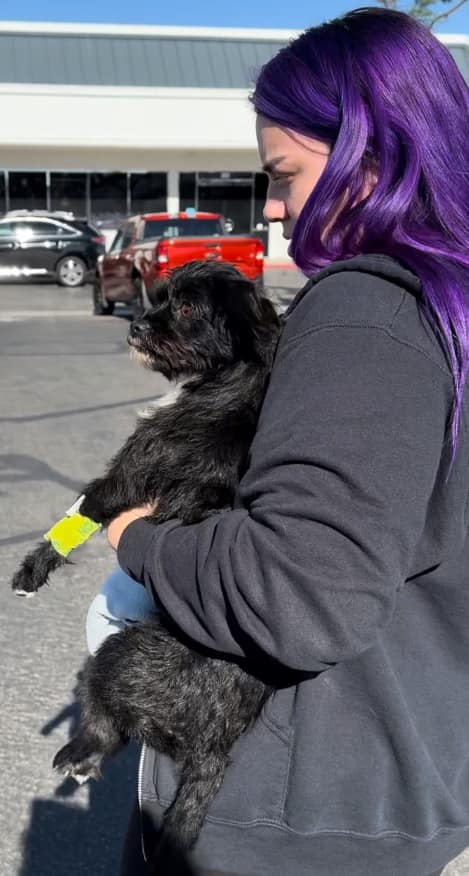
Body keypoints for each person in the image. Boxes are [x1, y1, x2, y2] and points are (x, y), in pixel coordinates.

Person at [90, 7, 469, 875]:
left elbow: (296, 594)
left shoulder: (367, 312)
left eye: (285, 174)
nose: (269, 204)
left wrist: (139, 539)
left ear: (370, 158)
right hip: (408, 775)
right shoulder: (448, 310)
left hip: (287, 815)